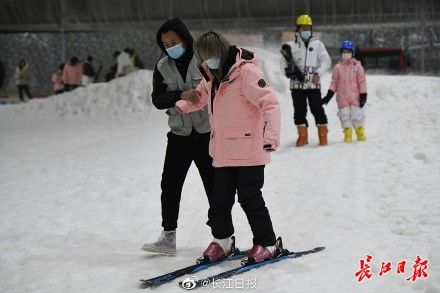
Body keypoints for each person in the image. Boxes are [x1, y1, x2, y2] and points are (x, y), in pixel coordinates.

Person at [176, 31, 282, 264]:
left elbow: (270, 103)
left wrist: (271, 137)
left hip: (250, 151)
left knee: (250, 198)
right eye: (203, 56)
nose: (206, 60)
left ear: (221, 51)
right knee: (219, 200)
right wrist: (182, 105)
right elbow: (200, 98)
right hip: (223, 152)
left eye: (210, 55)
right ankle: (223, 240)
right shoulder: (213, 77)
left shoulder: (246, 72)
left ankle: (267, 243)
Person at [141, 18, 215, 255]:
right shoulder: (162, 66)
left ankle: (223, 237)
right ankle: (168, 238)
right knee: (170, 185)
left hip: (206, 134)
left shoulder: (203, 60)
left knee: (214, 187)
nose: (170, 46)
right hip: (179, 135)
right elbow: (157, 99)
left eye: (174, 41)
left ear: (184, 38)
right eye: (165, 44)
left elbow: (218, 88)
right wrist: (179, 94)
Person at [281, 14, 331, 146]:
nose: (305, 30)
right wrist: (288, 72)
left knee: (317, 108)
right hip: (297, 86)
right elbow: (283, 64)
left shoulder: (318, 45)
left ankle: (323, 134)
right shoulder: (289, 46)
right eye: (303, 28)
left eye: (308, 28)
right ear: (298, 29)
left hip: (313, 85)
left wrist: (318, 74)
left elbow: (326, 61)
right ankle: (302, 136)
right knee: (299, 110)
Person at [322, 40, 368, 142]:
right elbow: (334, 82)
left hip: (355, 97)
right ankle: (348, 133)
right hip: (342, 98)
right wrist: (329, 94)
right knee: (344, 115)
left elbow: (362, 81)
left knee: (357, 114)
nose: (346, 54)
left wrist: (363, 94)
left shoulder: (357, 66)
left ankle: (360, 131)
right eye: (344, 52)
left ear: (352, 53)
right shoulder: (338, 68)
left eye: (348, 52)